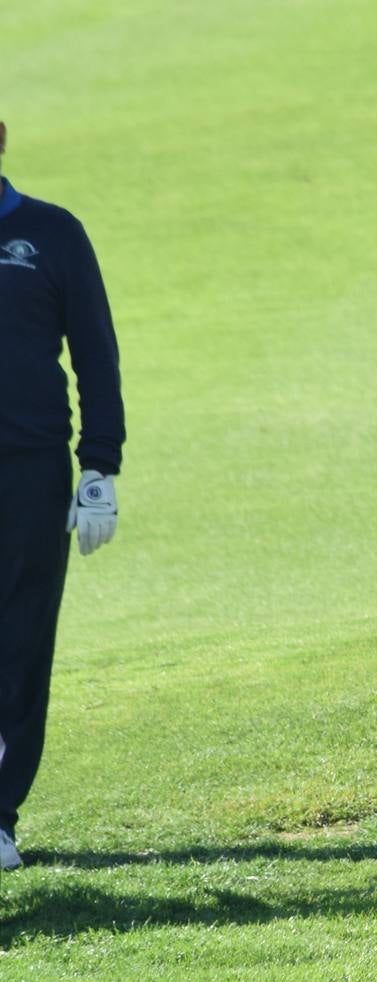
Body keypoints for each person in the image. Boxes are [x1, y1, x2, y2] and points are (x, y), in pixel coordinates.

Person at [0, 119, 124, 872]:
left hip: (31, 470)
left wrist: (99, 465)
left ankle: (0, 817)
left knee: (19, 639)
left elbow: (96, 350)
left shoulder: (51, 233)